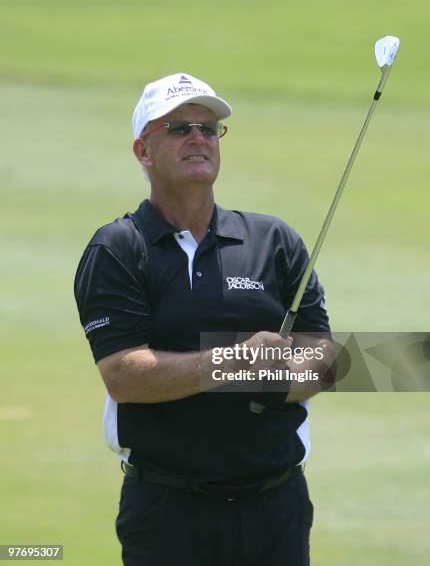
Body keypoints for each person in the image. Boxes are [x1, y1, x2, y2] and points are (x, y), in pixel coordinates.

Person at [74, 72, 335, 566]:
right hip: (169, 509)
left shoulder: (273, 241)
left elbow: (323, 362)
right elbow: (125, 377)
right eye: (177, 128)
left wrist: (274, 373)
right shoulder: (118, 249)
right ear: (143, 151)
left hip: (276, 505)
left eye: (209, 128)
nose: (198, 137)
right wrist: (236, 361)